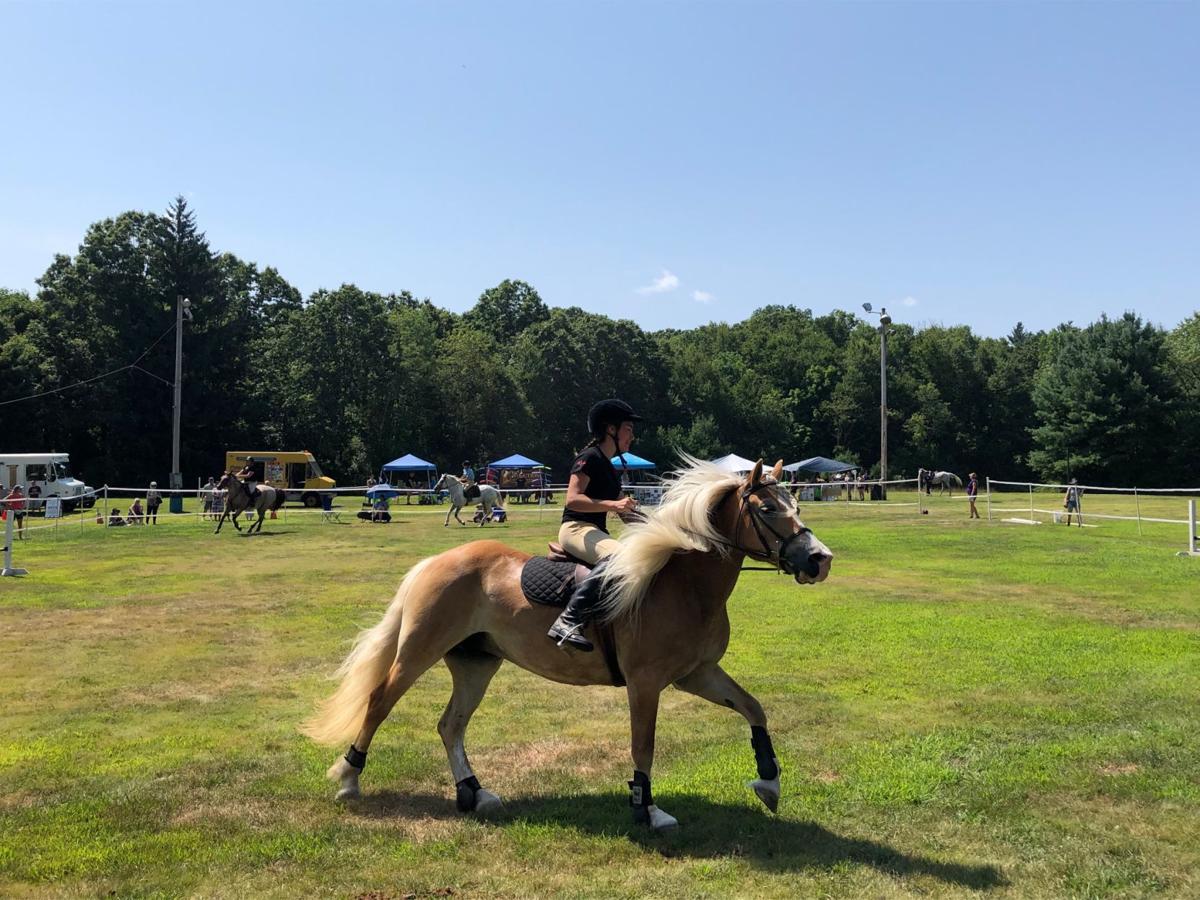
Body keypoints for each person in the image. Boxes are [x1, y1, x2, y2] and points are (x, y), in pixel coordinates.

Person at [547, 399, 643, 651]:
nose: (632, 435)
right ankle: (567, 621)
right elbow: (573, 499)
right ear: (610, 429)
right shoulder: (588, 457)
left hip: (594, 530)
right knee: (620, 556)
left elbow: (624, 511)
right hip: (575, 528)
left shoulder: (610, 467)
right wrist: (614, 505)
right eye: (629, 429)